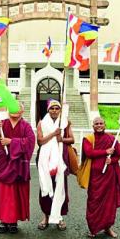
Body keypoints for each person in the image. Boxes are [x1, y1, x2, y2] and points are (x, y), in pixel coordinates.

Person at [0, 103, 36, 234]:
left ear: (22, 111)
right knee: (1, 194)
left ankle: (13, 221)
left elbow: (31, 142)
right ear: (8, 110)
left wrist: (11, 142)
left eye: (18, 108)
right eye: (12, 107)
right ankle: (3, 221)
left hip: (17, 166)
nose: (15, 110)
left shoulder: (26, 127)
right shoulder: (1, 124)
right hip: (1, 164)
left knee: (14, 195)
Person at [82, 117, 120, 238]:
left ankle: (108, 228)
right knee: (93, 201)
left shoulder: (111, 138)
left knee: (109, 204)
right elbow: (89, 153)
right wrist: (105, 151)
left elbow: (118, 155)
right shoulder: (89, 139)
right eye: (96, 124)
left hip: (109, 176)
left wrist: (112, 160)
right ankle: (93, 229)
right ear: (93, 126)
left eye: (101, 123)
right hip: (94, 177)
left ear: (105, 125)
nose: (99, 125)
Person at [36, 99, 74, 231]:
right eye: (52, 108)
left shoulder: (65, 123)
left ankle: (59, 217)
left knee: (61, 187)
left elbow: (72, 139)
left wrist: (61, 138)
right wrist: (53, 134)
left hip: (60, 159)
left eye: (57, 108)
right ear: (48, 110)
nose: (54, 111)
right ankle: (46, 217)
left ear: (60, 110)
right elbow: (40, 141)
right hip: (44, 160)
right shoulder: (42, 123)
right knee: (45, 186)